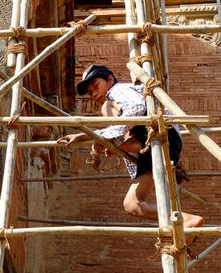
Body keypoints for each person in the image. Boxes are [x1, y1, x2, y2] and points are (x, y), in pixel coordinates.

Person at [58, 63, 204, 229]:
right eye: (90, 92)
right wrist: (108, 142)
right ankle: (187, 221)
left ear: (110, 79)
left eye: (96, 86)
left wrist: (98, 136)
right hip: (150, 149)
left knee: (107, 108)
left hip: (160, 133)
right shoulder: (115, 100)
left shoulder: (117, 91)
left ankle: (122, 142)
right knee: (132, 204)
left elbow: (137, 107)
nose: (94, 93)